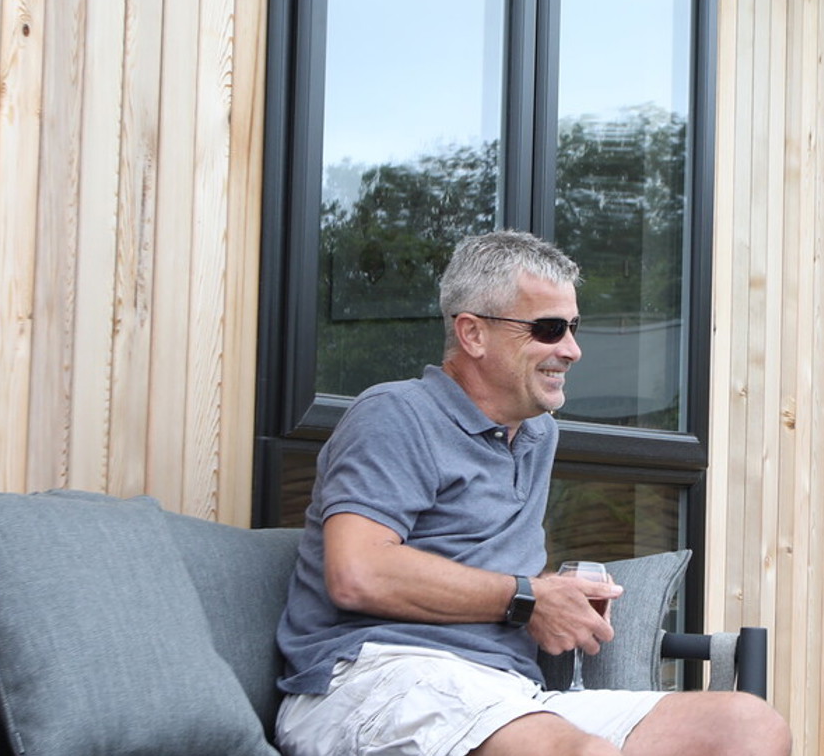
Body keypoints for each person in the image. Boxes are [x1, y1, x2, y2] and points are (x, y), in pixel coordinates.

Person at [274, 231, 789, 756]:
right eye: (548, 329)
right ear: (473, 333)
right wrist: (526, 598)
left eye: (573, 327)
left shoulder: (538, 433)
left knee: (747, 725)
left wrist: (553, 599)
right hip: (374, 679)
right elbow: (357, 572)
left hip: (510, 693)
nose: (571, 349)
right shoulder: (396, 414)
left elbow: (483, 569)